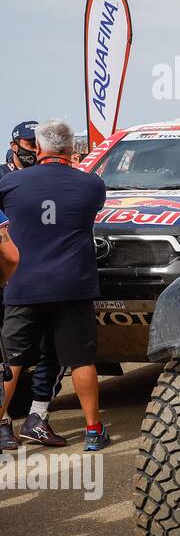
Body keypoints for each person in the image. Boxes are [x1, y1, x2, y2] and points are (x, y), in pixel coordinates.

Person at [0, 119, 109, 451]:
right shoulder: (92, 184)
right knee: (81, 360)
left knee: (11, 364)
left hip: (24, 283)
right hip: (72, 285)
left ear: (37, 146)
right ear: (72, 147)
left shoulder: (11, 184)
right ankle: (92, 431)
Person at [0, 120, 63, 438]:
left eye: (36, 144)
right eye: (28, 145)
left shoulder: (45, 179)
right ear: (15, 146)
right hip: (8, 280)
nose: (34, 151)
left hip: (44, 277)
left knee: (53, 347)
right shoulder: (2, 180)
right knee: (8, 354)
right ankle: (3, 422)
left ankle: (37, 416)